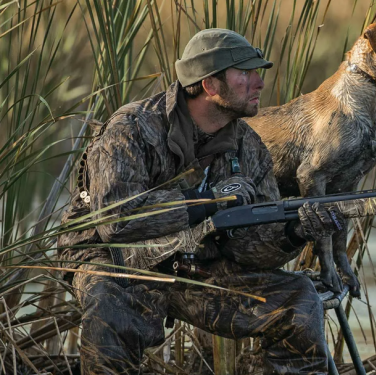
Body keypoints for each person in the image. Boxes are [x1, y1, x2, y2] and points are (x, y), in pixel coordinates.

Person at [58, 29, 345, 375]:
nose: (259, 83)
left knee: (298, 300)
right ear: (210, 85)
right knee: (109, 305)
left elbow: (251, 251)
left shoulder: (248, 148)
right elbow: (117, 221)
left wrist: (296, 231)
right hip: (114, 260)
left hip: (197, 265)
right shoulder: (131, 129)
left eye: (258, 73)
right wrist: (207, 201)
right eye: (246, 73)